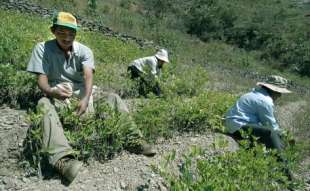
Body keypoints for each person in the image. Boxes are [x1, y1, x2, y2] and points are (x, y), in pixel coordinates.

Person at [27, 11, 155, 183]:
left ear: (76, 34)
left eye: (71, 33)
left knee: (113, 99)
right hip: (57, 94)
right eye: (62, 33)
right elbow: (41, 80)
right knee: (43, 103)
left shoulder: (84, 51)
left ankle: (134, 140)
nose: (67, 37)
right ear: (53, 31)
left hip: (83, 94)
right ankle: (62, 160)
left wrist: (86, 99)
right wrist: (51, 92)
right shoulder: (42, 48)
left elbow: (88, 76)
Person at [225, 75, 292, 151]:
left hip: (233, 125)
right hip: (238, 127)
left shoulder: (253, 94)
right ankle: (282, 161)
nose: (280, 96)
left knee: (267, 131)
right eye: (279, 92)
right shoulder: (265, 101)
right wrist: (284, 136)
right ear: (274, 91)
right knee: (270, 132)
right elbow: (270, 125)